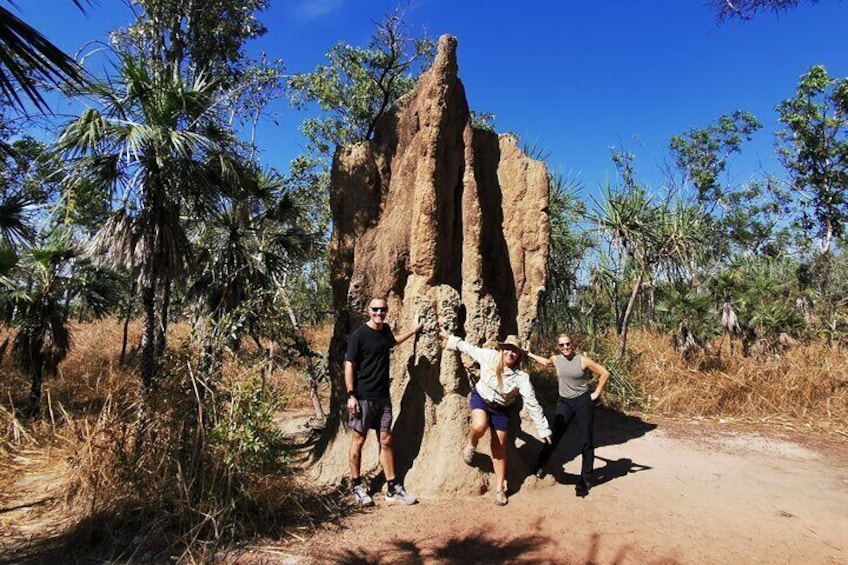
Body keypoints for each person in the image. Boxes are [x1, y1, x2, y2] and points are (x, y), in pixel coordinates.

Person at [440, 330, 551, 506]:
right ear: (502, 349)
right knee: (479, 425)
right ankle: (471, 445)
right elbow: (468, 348)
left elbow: (531, 402)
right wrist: (450, 338)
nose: (510, 353)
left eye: (514, 351)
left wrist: (543, 427)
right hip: (481, 398)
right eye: (507, 349)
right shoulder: (490, 357)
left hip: (500, 409)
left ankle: (500, 489)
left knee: (499, 448)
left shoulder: (521, 378)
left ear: (519, 355)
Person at [345, 297, 422, 506]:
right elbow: (349, 364)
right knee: (358, 440)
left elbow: (394, 341)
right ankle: (357, 485)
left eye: (383, 309)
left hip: (382, 397)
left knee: (386, 440)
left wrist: (414, 331)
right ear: (368, 310)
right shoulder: (359, 335)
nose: (379, 313)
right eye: (376, 309)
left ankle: (392, 488)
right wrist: (351, 395)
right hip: (362, 397)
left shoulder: (385, 330)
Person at [526, 334, 610, 497]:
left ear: (572, 344)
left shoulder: (583, 361)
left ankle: (585, 480)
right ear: (558, 347)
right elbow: (545, 362)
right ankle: (540, 465)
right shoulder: (556, 359)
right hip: (564, 403)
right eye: (562, 345)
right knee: (555, 435)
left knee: (586, 440)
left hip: (582, 402)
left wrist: (596, 393)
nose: (565, 347)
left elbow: (604, 373)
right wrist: (528, 353)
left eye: (568, 344)